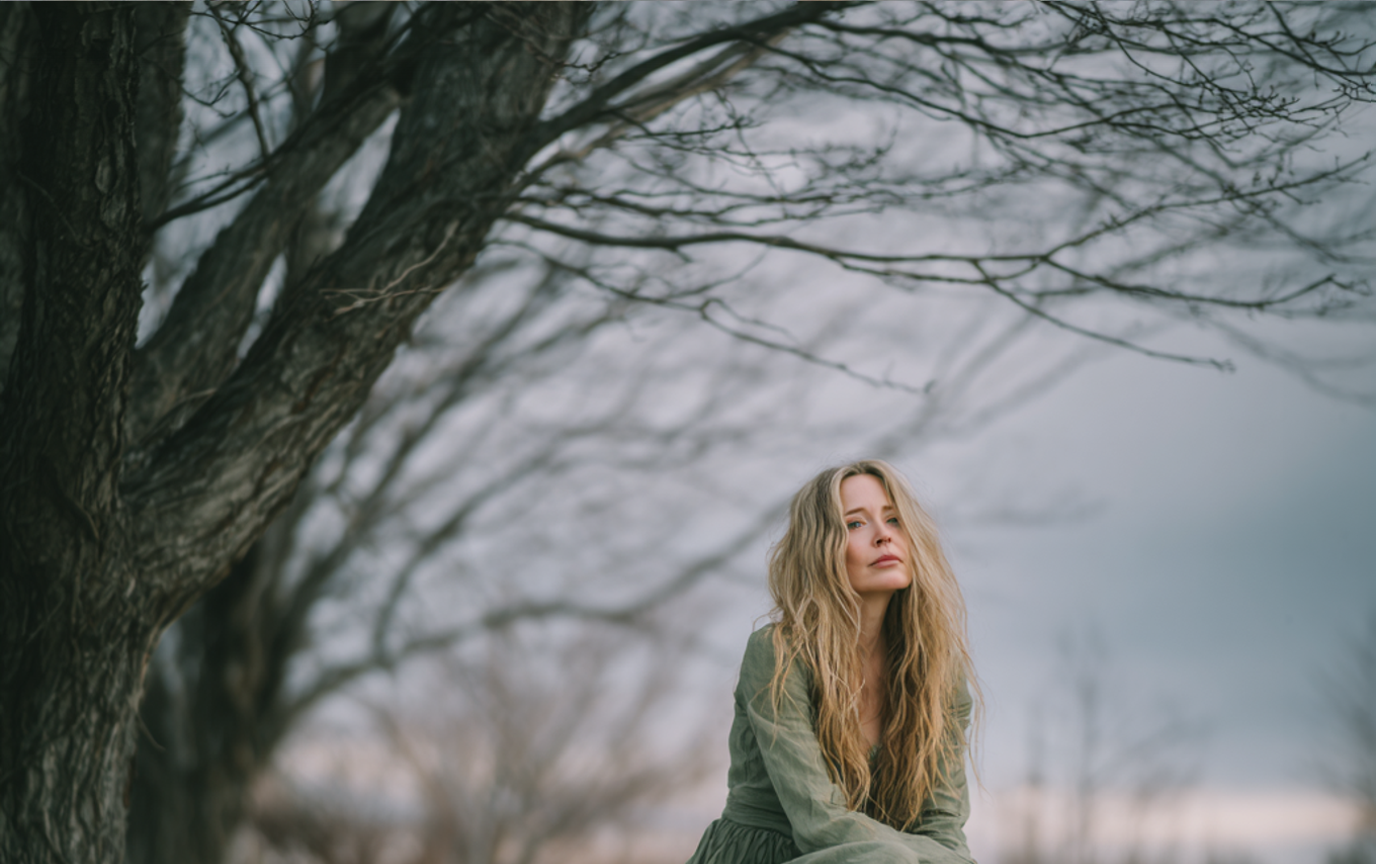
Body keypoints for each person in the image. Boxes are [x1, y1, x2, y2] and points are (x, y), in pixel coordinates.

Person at [686, 460, 978, 864]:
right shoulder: (779, 653)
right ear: (821, 548)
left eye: (894, 519)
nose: (883, 537)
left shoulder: (938, 671)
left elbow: (944, 832)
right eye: (855, 524)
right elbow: (818, 823)